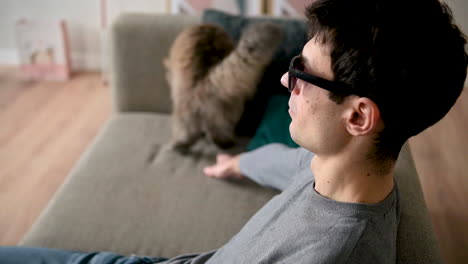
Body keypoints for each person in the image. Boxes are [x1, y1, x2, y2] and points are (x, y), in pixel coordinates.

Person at [1, 0, 466, 263]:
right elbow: (286, 163)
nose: (287, 81)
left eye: (303, 73)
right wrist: (236, 162)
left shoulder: (337, 252)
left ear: (359, 118)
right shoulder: (339, 170)